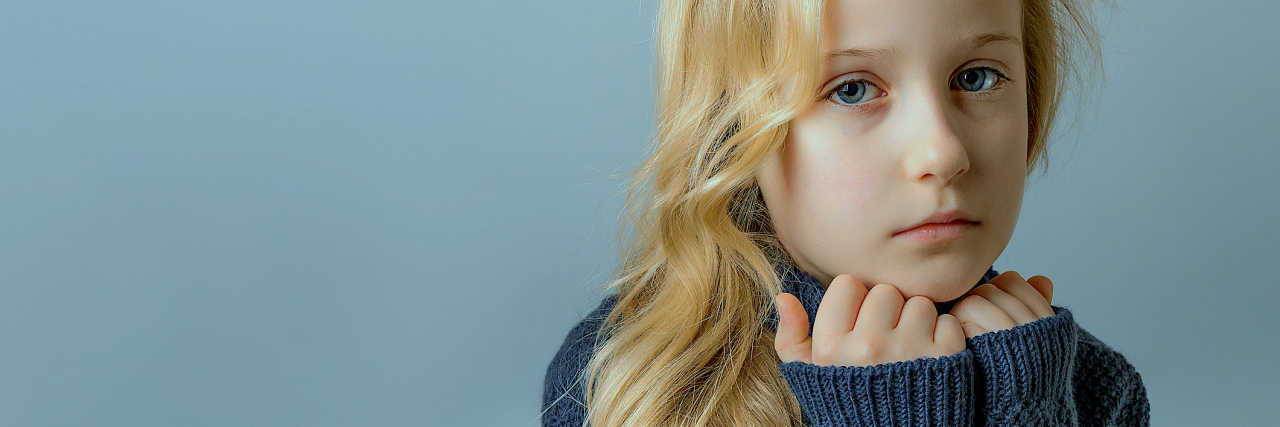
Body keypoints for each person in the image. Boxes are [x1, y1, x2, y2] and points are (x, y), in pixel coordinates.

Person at [543, 0, 1150, 425]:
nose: (943, 152)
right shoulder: (629, 383)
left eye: (977, 76)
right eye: (852, 89)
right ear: (735, 131)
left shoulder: (1086, 388)